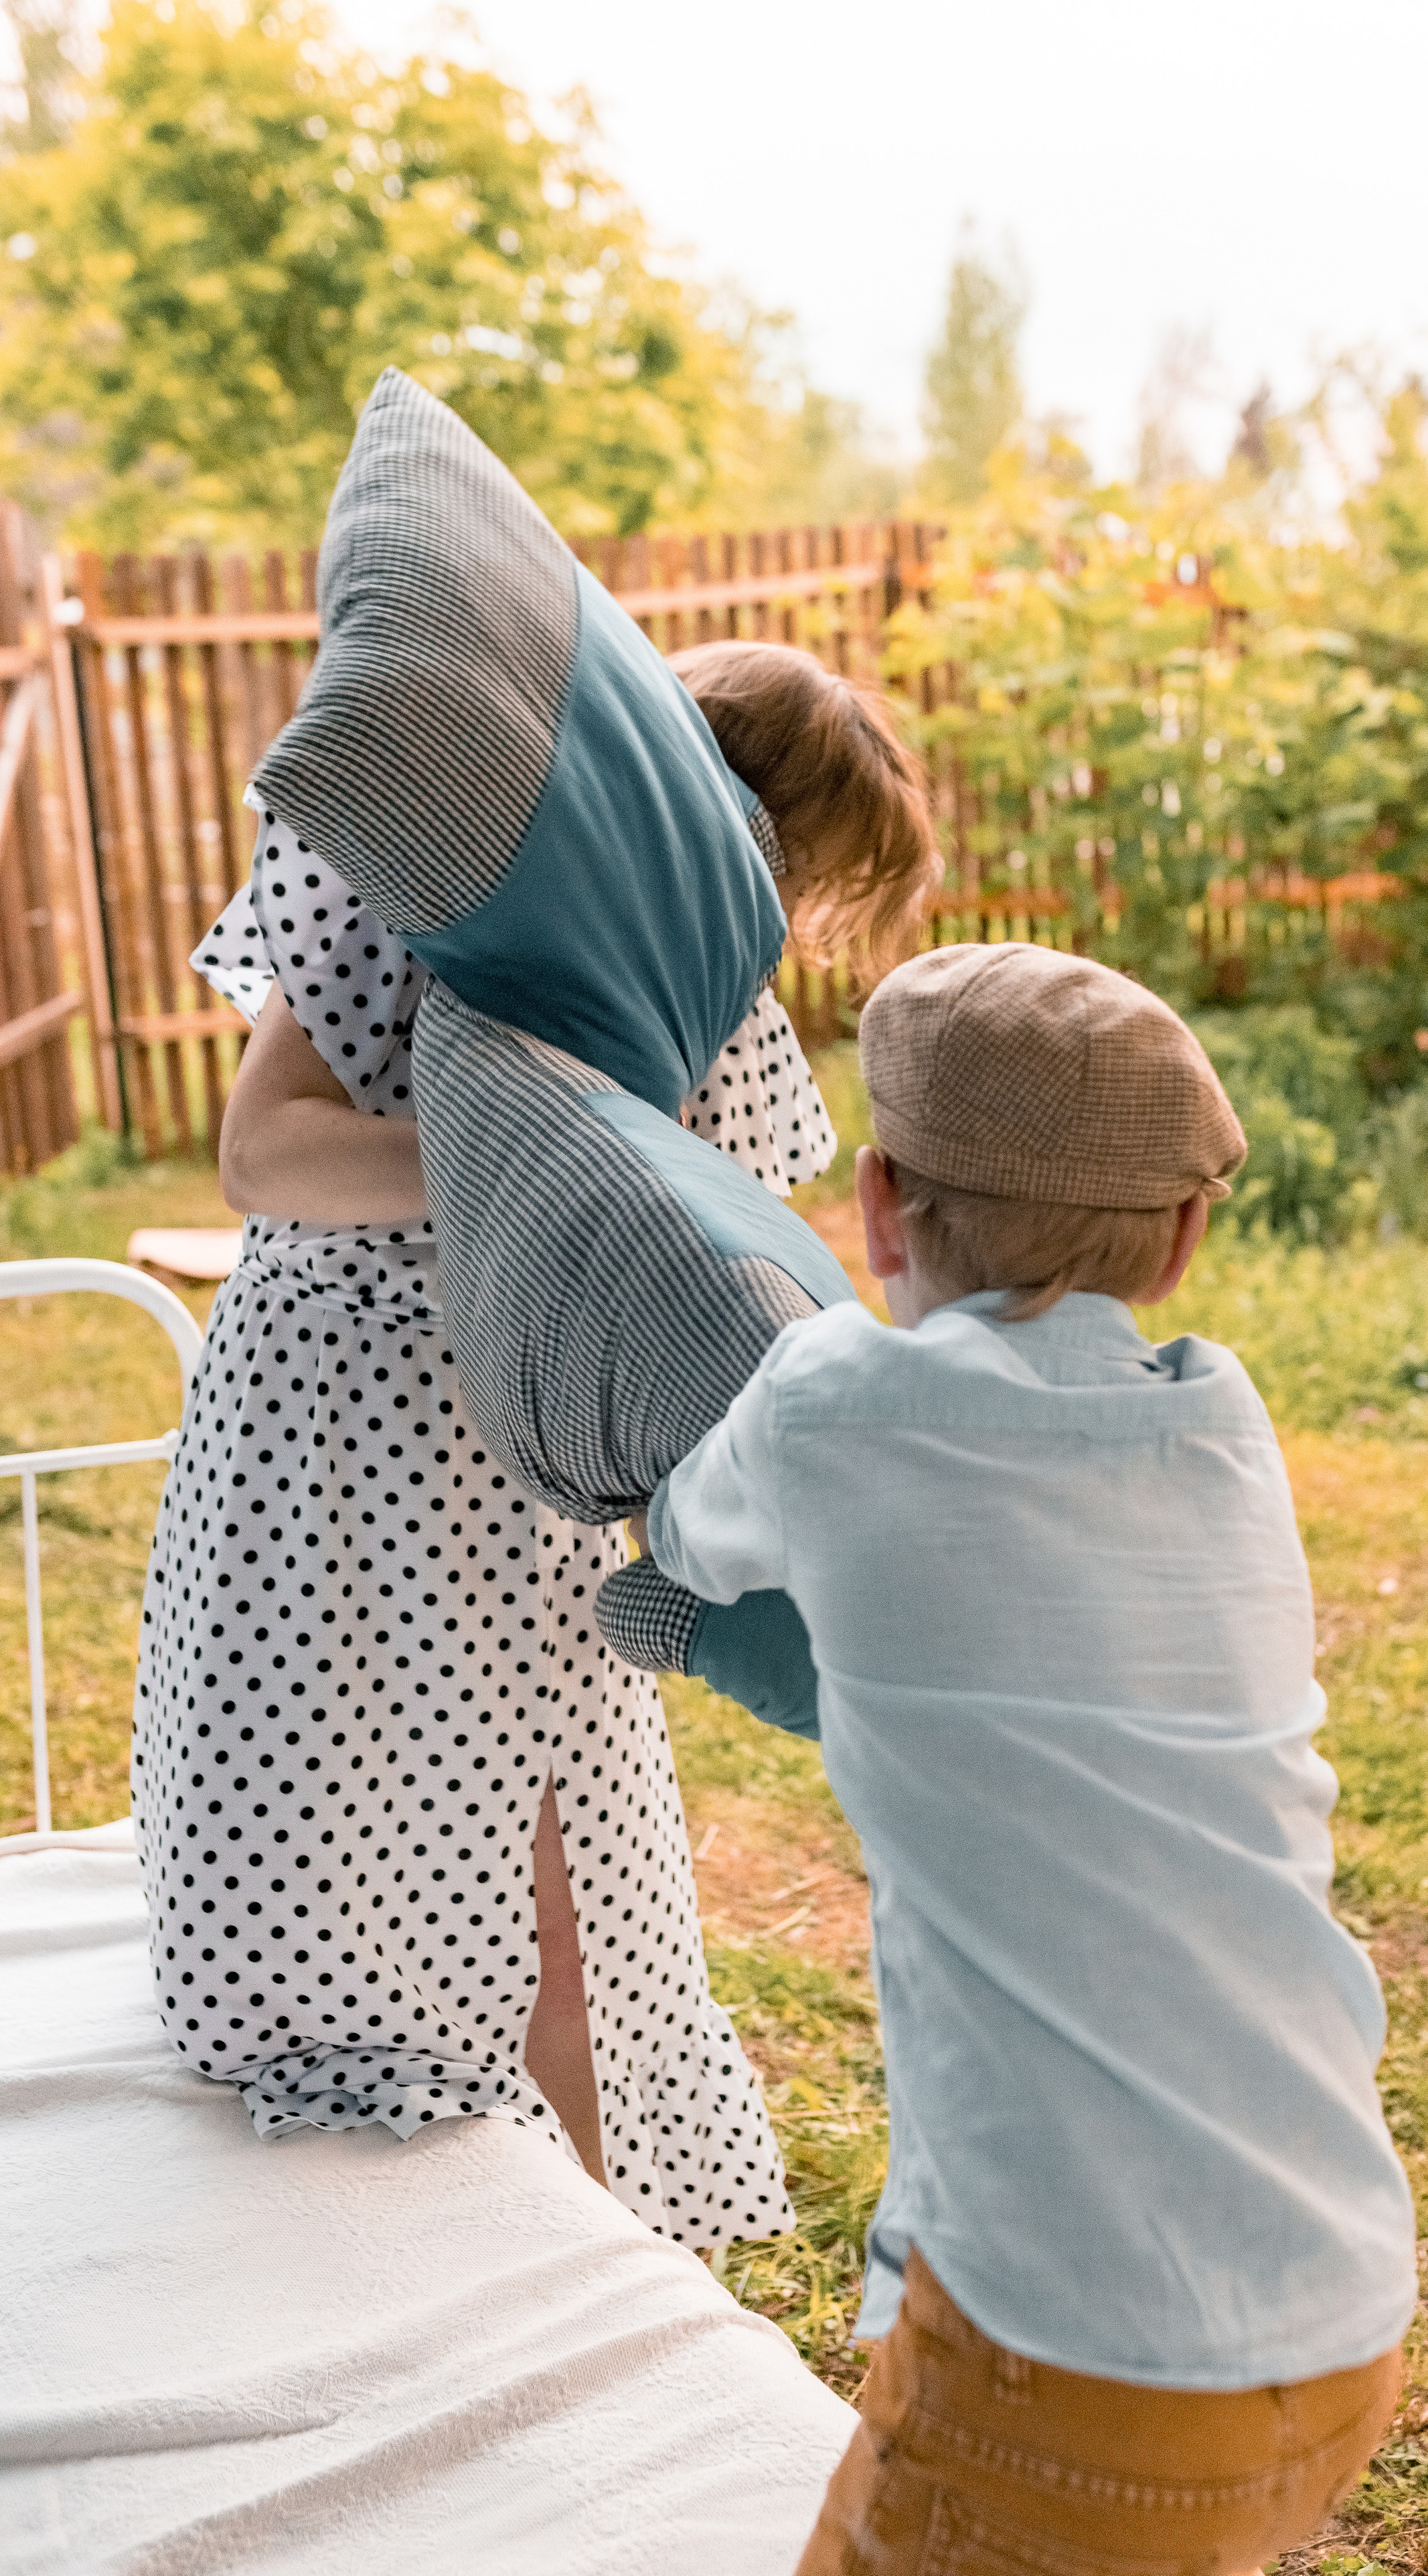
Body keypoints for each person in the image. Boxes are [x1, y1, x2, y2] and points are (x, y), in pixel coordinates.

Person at [131, 641, 937, 2255]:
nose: (782, 911)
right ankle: (357, 2223)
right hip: (328, 1415)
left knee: (552, 1862)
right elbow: (265, 1150)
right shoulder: (421, 875)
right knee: (314, 1789)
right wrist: (530, 1150)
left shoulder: (703, 978)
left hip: (526, 1433)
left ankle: (591, 2254)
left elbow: (703, 1226)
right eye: (792, 872)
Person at [624, 942, 1419, 2571]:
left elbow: (682, 1534)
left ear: (876, 1204)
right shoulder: (1226, 1428)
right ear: (1183, 1237)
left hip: (1071, 2366)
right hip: (1340, 2306)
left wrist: (705, 1601)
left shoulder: (827, 1402)